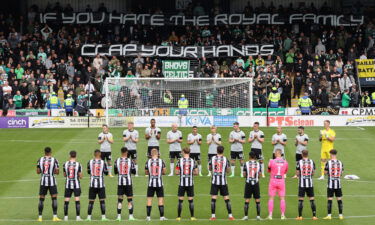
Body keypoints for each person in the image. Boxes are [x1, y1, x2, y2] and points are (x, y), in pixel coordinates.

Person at [209, 146, 235, 221]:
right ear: (223, 151)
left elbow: (210, 168)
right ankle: (230, 216)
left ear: (217, 150)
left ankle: (213, 216)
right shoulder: (225, 159)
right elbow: (228, 171)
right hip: (223, 182)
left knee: (213, 198)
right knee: (226, 198)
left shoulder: (212, 158)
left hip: (214, 181)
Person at [36, 147, 60, 222]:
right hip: (52, 180)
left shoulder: (40, 160)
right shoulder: (54, 160)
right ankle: (55, 217)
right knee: (54, 198)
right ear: (51, 152)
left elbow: (38, 171)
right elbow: (57, 172)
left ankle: (40, 217)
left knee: (41, 199)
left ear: (44, 152)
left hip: (43, 181)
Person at [175, 147, 198, 221]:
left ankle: (178, 217)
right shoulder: (193, 161)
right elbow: (196, 172)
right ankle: (192, 217)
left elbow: (176, 172)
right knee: (190, 200)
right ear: (189, 152)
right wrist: (191, 173)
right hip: (190, 183)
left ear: (183, 152)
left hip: (182, 183)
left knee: (180, 200)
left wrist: (182, 172)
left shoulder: (179, 161)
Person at [114, 147, 136, 221]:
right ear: (127, 152)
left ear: (121, 152)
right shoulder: (130, 161)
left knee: (120, 200)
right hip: (128, 183)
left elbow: (115, 171)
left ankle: (119, 217)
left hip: (120, 183)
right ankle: (131, 216)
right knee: (130, 200)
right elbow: (134, 172)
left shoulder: (117, 160)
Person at [145, 148, 167, 221]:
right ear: (158, 154)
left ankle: (148, 217)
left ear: (151, 154)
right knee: (160, 200)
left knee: (149, 200)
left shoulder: (148, 162)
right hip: (159, 184)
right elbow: (164, 172)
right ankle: (161, 217)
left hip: (150, 184)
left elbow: (146, 172)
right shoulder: (161, 161)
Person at [86, 150, 109, 221]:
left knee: (91, 201)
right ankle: (103, 217)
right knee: (102, 201)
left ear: (94, 154)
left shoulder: (89, 162)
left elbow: (88, 171)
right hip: (101, 185)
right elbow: (106, 173)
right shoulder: (103, 162)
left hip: (92, 184)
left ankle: (89, 217)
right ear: (100, 154)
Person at [266, 149, 288, 220]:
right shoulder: (285, 162)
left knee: (271, 198)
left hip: (273, 181)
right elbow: (285, 172)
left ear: (276, 154)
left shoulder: (271, 161)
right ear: (281, 154)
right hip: (281, 181)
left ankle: (270, 215)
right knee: (282, 198)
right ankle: (282, 215)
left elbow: (268, 170)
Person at [296, 150, 317, 220]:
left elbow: (297, 173)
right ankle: (314, 216)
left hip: (302, 183)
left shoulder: (299, 162)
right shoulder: (312, 162)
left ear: (302, 154)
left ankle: (300, 216)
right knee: (312, 199)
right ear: (307, 154)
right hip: (310, 183)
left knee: (301, 199)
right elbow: (313, 173)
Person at [323, 149, 344, 220]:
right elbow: (341, 173)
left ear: (331, 154)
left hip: (330, 184)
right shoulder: (340, 162)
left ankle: (329, 215)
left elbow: (325, 173)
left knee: (330, 199)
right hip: (338, 184)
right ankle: (341, 215)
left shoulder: (328, 163)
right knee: (339, 199)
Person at [63, 150, 83, 221]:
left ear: (69, 155)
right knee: (77, 199)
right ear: (76, 155)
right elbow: (81, 176)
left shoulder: (65, 164)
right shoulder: (78, 164)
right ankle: (78, 217)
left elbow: (64, 175)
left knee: (66, 200)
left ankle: (65, 217)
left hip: (68, 184)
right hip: (76, 184)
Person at [242, 151, 262, 221]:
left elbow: (244, 174)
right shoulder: (259, 164)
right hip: (256, 183)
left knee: (247, 200)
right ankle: (258, 216)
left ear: (249, 156)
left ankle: (246, 216)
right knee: (257, 200)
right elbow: (260, 175)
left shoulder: (246, 164)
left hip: (248, 183)